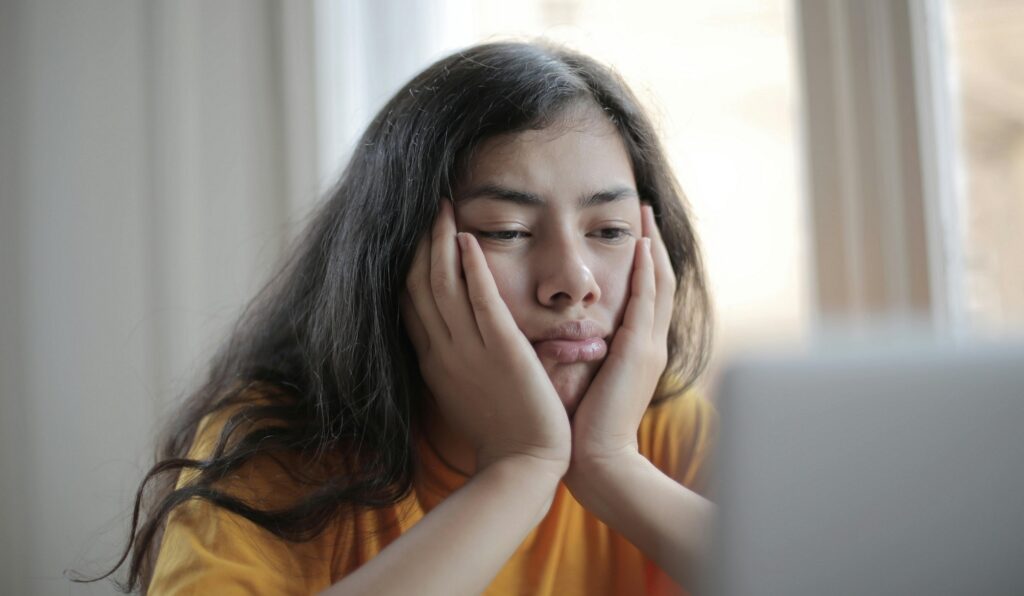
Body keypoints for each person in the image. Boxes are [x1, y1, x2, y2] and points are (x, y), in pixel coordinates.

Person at [81, 39, 716, 595]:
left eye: (609, 230)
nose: (573, 282)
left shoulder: (659, 431)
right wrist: (520, 467)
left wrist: (610, 463)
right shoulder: (281, 451)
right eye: (508, 230)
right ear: (399, 261)